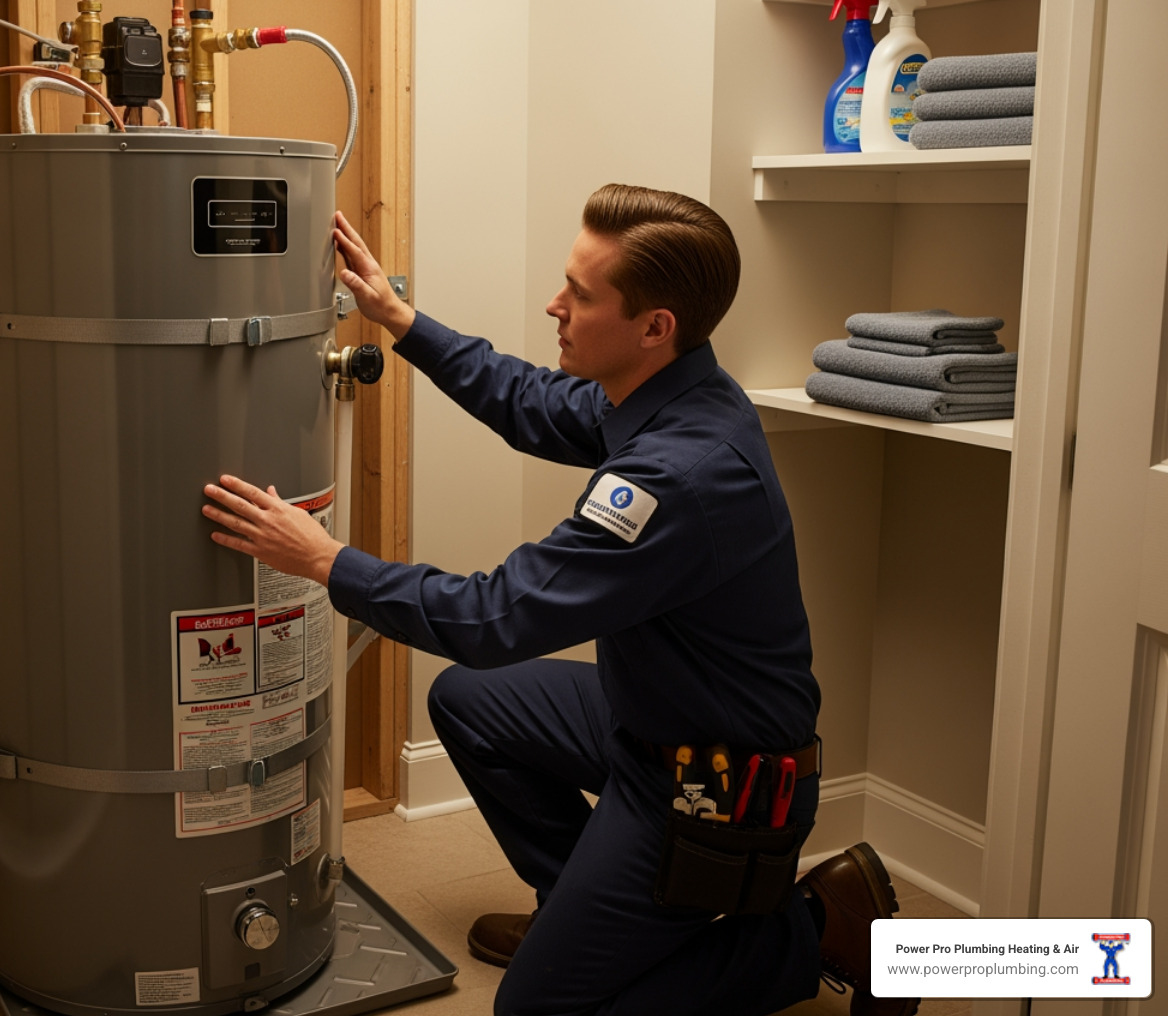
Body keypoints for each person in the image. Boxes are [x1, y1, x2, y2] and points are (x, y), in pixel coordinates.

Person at [202, 185, 917, 1016]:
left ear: (654, 327)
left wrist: (327, 562)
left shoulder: (680, 474)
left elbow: (494, 617)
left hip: (719, 785)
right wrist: (400, 319)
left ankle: (816, 929)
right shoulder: (669, 391)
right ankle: (581, 914)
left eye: (580, 293)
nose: (555, 305)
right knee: (469, 703)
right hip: (648, 717)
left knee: (535, 1011)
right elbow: (530, 402)